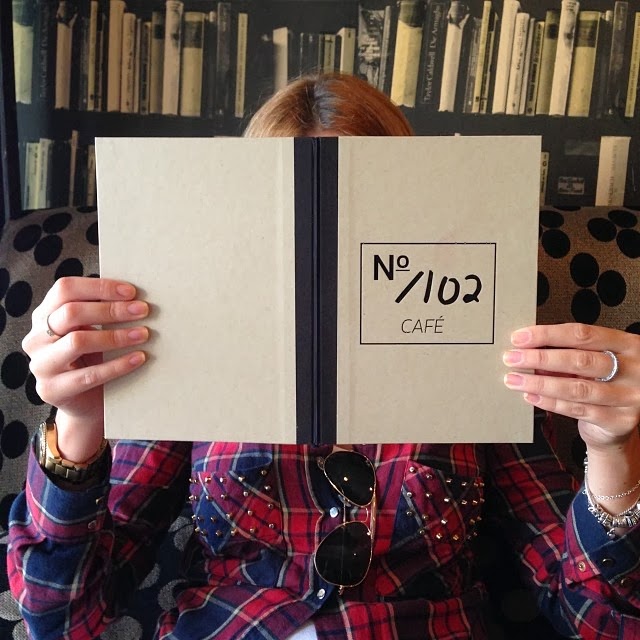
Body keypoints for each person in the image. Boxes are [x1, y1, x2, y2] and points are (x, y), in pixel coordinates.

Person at [8, 74, 640, 640]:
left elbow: (600, 619)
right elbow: (63, 617)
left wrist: (615, 451)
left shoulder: (486, 342)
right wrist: (79, 424)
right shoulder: (193, 342)